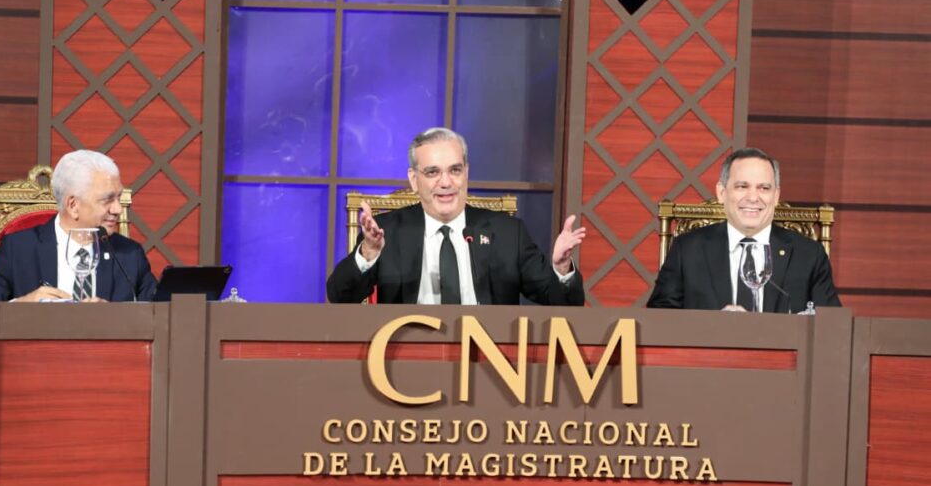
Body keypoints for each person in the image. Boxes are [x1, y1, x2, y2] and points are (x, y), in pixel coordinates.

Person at [326, 127, 586, 305]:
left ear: (466, 173)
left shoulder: (507, 233)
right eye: (432, 172)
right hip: (405, 358)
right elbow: (339, 296)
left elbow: (564, 304)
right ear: (414, 180)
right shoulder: (388, 232)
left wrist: (562, 268)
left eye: (455, 170)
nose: (446, 182)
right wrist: (368, 253)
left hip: (488, 360)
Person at [647, 147, 840, 312]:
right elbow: (660, 319)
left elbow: (831, 327)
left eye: (764, 188)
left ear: (776, 196)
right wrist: (713, 326)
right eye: (742, 186)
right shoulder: (688, 249)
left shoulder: (809, 255)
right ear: (722, 193)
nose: (753, 197)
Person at [0, 150, 156, 302]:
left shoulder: (129, 255)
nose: (118, 209)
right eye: (107, 199)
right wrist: (23, 304)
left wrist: (112, 317)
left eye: (118, 198)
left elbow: (157, 313)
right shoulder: (18, 248)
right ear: (73, 205)